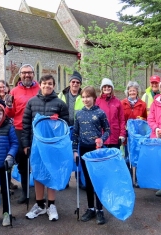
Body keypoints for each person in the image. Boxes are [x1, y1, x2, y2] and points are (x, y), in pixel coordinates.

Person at [21, 74, 69, 221]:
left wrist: (57, 121)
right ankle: (40, 205)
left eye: (50, 84)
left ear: (53, 86)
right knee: (38, 174)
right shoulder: (31, 102)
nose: (47, 86)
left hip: (53, 147)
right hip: (36, 146)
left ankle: (52, 205)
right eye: (44, 83)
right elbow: (26, 124)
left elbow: (66, 125)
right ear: (40, 85)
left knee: (51, 173)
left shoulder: (60, 104)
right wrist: (26, 144)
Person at [72, 86, 110, 225]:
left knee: (98, 180)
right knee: (88, 181)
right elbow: (75, 134)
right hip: (84, 150)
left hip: (97, 151)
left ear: (94, 98)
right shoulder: (79, 114)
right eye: (83, 97)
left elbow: (107, 130)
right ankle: (90, 208)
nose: (85, 99)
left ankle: (100, 210)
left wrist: (102, 139)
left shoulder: (100, 113)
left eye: (88, 97)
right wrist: (75, 151)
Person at [5, 64, 40, 204]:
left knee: (38, 161)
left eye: (29, 73)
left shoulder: (40, 89)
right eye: (24, 73)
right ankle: (25, 193)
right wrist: (7, 107)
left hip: (37, 129)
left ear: (33, 74)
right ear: (20, 75)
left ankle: (40, 193)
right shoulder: (14, 91)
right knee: (23, 162)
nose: (27, 75)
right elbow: (11, 113)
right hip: (19, 129)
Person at [58, 70, 85, 189]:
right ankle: (65, 179)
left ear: (80, 84)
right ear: (70, 83)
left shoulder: (83, 95)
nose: (75, 84)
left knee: (78, 152)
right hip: (64, 129)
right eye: (73, 82)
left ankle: (80, 180)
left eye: (77, 82)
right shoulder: (61, 95)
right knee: (65, 154)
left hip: (79, 129)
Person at [0, 80, 17, 191]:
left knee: (9, 159)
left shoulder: (11, 98)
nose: (2, 89)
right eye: (0, 87)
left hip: (10, 129)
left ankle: (8, 182)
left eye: (4, 87)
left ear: (8, 88)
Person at [121, 81, 147, 186]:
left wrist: (142, 119)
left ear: (137, 92)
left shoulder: (142, 104)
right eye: (130, 90)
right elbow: (121, 118)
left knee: (138, 157)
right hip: (127, 134)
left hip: (138, 135)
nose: (132, 92)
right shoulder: (122, 103)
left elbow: (146, 119)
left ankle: (137, 179)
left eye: (134, 90)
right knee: (128, 156)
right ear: (127, 92)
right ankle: (129, 179)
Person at [96, 78, 126, 149]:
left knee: (114, 158)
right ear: (102, 88)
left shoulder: (117, 102)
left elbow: (122, 120)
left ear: (112, 88)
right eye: (105, 86)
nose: (107, 88)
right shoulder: (97, 101)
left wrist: (122, 134)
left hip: (115, 137)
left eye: (109, 86)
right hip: (102, 137)